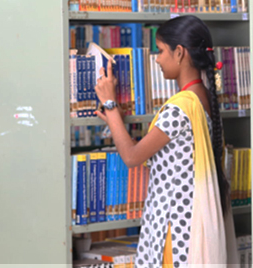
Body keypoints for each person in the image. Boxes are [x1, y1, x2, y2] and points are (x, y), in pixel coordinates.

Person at [94, 16, 237, 267]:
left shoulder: (180, 108)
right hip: (191, 223)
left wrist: (110, 105)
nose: (157, 59)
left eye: (160, 51)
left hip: (174, 229)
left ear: (179, 53)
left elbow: (131, 156)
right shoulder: (203, 98)